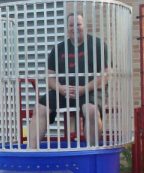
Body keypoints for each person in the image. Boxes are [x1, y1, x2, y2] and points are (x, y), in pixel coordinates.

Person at [27, 13, 106, 146]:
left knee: (91, 110)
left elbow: (106, 74)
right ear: (67, 28)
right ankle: (31, 151)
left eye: (78, 24)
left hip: (90, 91)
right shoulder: (58, 48)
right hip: (63, 92)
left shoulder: (97, 45)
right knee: (40, 108)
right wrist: (60, 88)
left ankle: (92, 151)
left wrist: (84, 89)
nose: (75, 28)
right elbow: (49, 75)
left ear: (84, 26)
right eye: (71, 25)